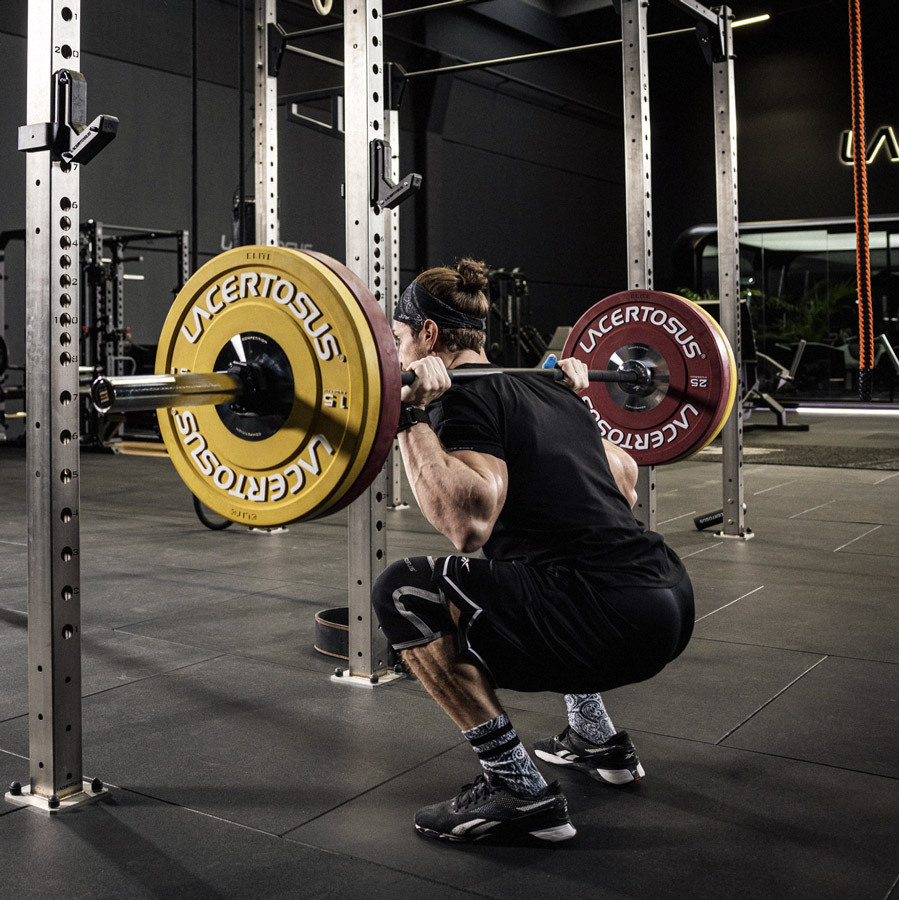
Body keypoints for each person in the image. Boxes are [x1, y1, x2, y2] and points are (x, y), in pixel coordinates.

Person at [371, 258, 694, 845]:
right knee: (537, 564)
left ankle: (516, 786)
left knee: (404, 590)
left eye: (397, 340)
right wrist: (574, 404)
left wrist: (410, 415)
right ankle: (595, 737)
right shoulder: (549, 391)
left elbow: (469, 523)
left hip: (605, 617)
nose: (395, 355)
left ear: (429, 336)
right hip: (668, 601)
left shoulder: (464, 396)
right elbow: (623, 481)